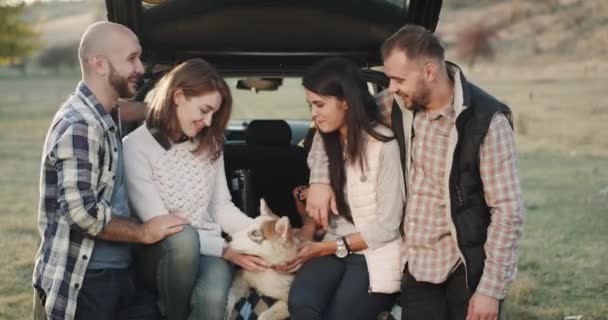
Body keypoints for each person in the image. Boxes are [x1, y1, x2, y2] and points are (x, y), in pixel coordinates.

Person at [306, 25, 525, 320]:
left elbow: (508, 212)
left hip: (466, 264)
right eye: (389, 79)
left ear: (430, 73)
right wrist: (320, 178)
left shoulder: (487, 122)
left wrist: (490, 290)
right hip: (417, 265)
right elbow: (338, 119)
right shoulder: (395, 104)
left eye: (398, 79)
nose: (391, 88)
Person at [32, 22, 189, 320]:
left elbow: (126, 111)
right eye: (131, 59)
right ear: (99, 64)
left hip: (121, 272)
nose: (140, 68)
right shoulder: (79, 126)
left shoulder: (104, 113)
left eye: (140, 58)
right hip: (86, 280)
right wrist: (143, 231)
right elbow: (81, 213)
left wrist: (167, 110)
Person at [122, 58, 270, 320]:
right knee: (183, 238)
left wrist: (261, 232)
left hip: (209, 247)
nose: (209, 121)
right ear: (178, 96)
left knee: (212, 301)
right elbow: (161, 226)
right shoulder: (135, 146)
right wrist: (224, 249)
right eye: (204, 110)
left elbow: (220, 207)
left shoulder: (211, 144)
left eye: (214, 113)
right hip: (162, 253)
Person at [286, 57, 405, 320]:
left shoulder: (384, 147)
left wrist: (322, 248)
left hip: (373, 254)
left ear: (346, 102)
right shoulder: (325, 140)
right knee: (301, 304)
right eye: (310, 105)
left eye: (319, 104)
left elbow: (388, 227)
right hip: (332, 245)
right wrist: (318, 182)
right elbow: (317, 145)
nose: (313, 113)